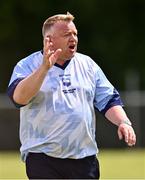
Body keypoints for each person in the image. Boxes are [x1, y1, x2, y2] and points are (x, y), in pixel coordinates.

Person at [7, 12, 136, 179]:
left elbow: (108, 99)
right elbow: (18, 99)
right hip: (43, 157)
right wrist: (44, 68)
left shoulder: (87, 64)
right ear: (49, 40)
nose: (73, 38)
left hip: (84, 158)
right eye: (67, 34)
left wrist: (123, 122)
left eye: (75, 34)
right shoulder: (27, 65)